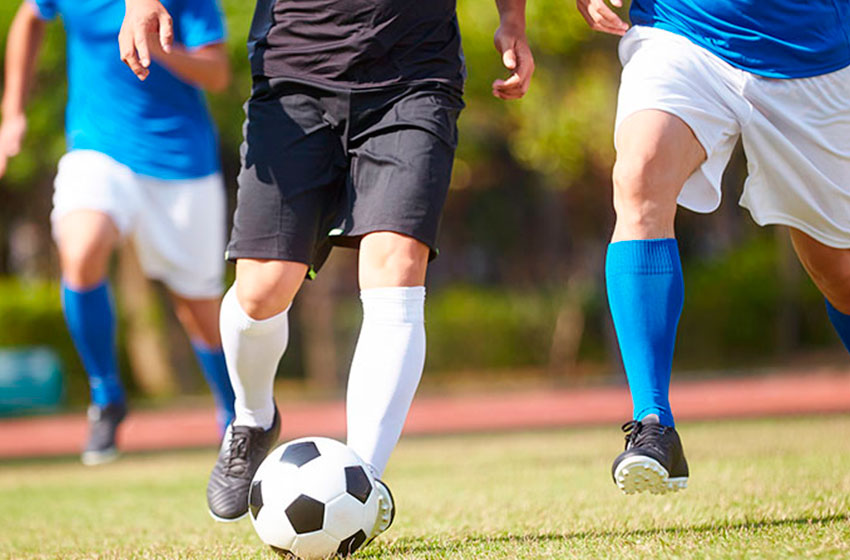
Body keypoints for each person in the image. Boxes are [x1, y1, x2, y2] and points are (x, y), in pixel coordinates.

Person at [119, 0, 534, 543]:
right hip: (294, 73)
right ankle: (252, 417)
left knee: (397, 262)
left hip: (415, 76)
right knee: (263, 289)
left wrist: (514, 19)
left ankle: (363, 480)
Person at [576, 0, 850, 495]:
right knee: (640, 175)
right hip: (683, 30)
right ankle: (653, 423)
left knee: (839, 273)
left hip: (814, 53)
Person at [0, 0, 236, 465]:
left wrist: (156, 46)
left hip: (180, 161)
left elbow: (218, 75)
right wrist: (13, 112)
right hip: (98, 143)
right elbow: (29, 18)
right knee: (81, 248)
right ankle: (107, 396)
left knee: (199, 311)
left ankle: (236, 416)